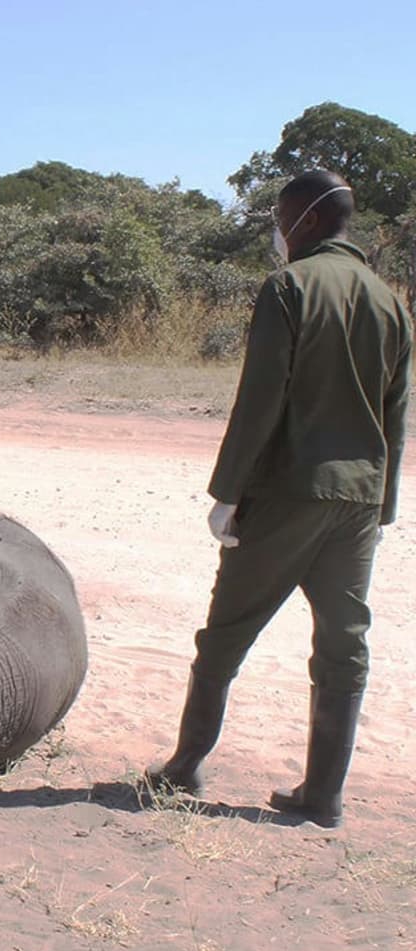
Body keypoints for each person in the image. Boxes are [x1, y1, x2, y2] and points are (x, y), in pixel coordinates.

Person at [147, 171, 411, 828]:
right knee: (344, 643)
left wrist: (227, 492)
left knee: (226, 633)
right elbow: (396, 413)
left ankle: (184, 764)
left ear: (311, 221)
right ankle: (324, 795)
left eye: (282, 217)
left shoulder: (288, 287)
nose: (278, 231)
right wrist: (382, 506)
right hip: (358, 501)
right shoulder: (392, 302)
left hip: (291, 492)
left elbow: (259, 400)